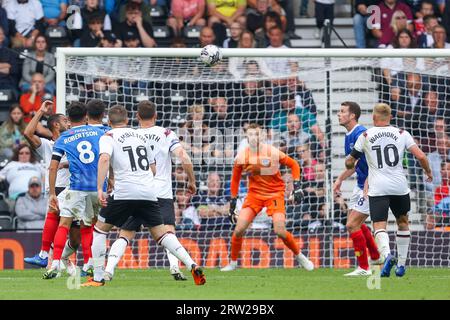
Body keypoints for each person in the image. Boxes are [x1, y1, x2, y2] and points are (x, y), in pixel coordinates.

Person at [82, 105, 205, 286]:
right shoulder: (139, 136)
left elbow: (104, 158)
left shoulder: (108, 136)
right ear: (128, 119)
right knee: (162, 234)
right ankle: (192, 264)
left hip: (124, 193)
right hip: (149, 192)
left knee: (100, 230)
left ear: (109, 122)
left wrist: (100, 188)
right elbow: (153, 167)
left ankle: (99, 277)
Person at [345, 103, 433, 277]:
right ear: (390, 117)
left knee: (379, 225)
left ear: (373, 117)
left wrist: (351, 162)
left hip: (378, 188)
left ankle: (386, 255)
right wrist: (428, 172)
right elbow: (421, 156)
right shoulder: (402, 133)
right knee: (402, 222)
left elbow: (350, 161)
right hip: (400, 186)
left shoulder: (366, 134)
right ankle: (401, 265)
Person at [220, 123, 314, 272]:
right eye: (250, 134)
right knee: (238, 230)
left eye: (256, 134)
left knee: (280, 230)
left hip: (274, 194)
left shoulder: (272, 151)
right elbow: (235, 180)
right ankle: (232, 263)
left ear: (262, 136)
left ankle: (300, 256)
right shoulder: (242, 155)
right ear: (246, 136)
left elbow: (294, 164)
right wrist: (232, 203)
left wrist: (297, 186)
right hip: (254, 195)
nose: (253, 137)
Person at [42, 101, 106, 279]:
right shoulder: (100, 132)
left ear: (68, 119)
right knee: (89, 226)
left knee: (64, 224)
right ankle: (89, 264)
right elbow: (106, 157)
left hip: (77, 187)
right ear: (86, 116)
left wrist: (53, 194)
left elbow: (53, 167)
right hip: (97, 187)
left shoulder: (63, 138)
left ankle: (54, 264)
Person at [22, 100, 78, 270]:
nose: (69, 123)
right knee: (57, 226)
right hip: (57, 190)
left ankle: (59, 259)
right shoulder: (48, 145)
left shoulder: (75, 143)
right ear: (55, 124)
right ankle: (49, 258)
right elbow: (28, 133)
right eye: (65, 121)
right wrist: (40, 111)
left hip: (76, 190)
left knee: (75, 239)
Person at [333, 101, 382, 276]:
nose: (338, 114)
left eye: (342, 111)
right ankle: (376, 257)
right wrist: (339, 179)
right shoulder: (350, 134)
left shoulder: (362, 134)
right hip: (360, 185)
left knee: (352, 225)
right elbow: (354, 164)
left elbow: (373, 162)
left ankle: (364, 268)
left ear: (352, 115)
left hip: (370, 186)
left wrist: (368, 185)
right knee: (357, 224)